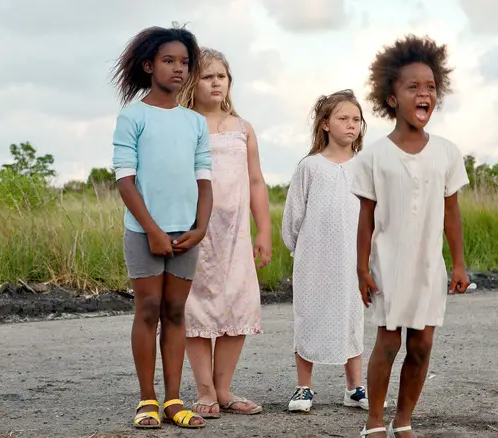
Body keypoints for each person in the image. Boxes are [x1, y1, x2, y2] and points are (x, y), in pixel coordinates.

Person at [352, 35, 470, 438]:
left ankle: (403, 420)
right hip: (387, 263)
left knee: (421, 345)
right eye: (413, 87)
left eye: (431, 87)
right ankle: (374, 422)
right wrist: (361, 269)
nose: (425, 94)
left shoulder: (447, 152)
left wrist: (458, 263)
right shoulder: (373, 156)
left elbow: (452, 213)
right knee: (388, 343)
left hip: (428, 266)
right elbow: (365, 218)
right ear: (391, 98)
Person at [110, 25, 212, 430]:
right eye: (169, 61)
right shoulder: (132, 116)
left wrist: (201, 227)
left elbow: (204, 179)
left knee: (175, 312)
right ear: (149, 65)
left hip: (186, 232)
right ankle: (147, 400)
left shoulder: (195, 123)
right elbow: (124, 180)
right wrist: (151, 229)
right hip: (143, 232)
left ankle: (173, 399)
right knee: (148, 310)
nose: (178, 69)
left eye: (184, 63)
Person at [177, 48, 272, 418]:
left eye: (222, 76)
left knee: (239, 302)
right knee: (195, 307)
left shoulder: (242, 128)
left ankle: (224, 388)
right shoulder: (184, 125)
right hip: (195, 232)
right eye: (207, 76)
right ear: (191, 82)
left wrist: (263, 230)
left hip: (236, 235)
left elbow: (256, 181)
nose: (216, 82)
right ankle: (204, 390)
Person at [281, 89, 377, 414]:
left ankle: (354, 387)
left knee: (352, 316)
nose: (351, 125)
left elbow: (374, 213)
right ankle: (304, 387)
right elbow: (293, 217)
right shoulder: (309, 167)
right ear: (325, 123)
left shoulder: (365, 166)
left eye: (356, 119)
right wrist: (303, 251)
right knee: (308, 315)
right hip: (314, 259)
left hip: (353, 260)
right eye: (343, 118)